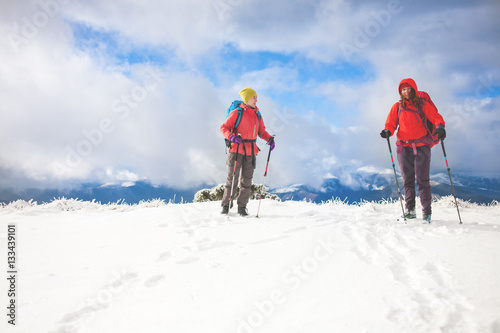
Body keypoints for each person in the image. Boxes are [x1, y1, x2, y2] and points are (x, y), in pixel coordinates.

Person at [380, 78, 446, 222]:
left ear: (414, 90)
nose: (406, 92)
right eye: (403, 89)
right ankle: (410, 210)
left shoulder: (423, 105)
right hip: (403, 147)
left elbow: (436, 117)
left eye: (409, 89)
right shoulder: (397, 107)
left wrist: (440, 126)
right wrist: (387, 131)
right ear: (400, 92)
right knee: (407, 180)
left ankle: (426, 212)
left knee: (423, 180)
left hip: (421, 146)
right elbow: (391, 123)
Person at [220, 87, 275, 216]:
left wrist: (269, 139)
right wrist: (232, 137)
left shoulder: (257, 114)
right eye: (254, 97)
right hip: (236, 149)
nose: (256, 100)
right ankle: (226, 205)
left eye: (256, 97)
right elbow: (224, 128)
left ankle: (242, 207)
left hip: (250, 151)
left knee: (247, 181)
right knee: (232, 180)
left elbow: (261, 131)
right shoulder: (237, 112)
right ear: (247, 99)